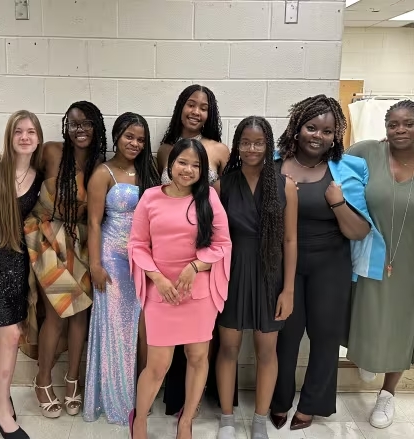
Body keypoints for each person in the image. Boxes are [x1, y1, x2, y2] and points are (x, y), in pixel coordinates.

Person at [270, 95, 384, 431]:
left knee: (324, 336)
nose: (318, 135)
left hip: (330, 265)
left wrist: (337, 203)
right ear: (297, 128)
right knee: (285, 335)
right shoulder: (273, 166)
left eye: (328, 130)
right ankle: (278, 399)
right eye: (311, 127)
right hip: (284, 264)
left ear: (336, 136)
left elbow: (360, 229)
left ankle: (312, 403)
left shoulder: (347, 170)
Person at [344, 100, 414, 429]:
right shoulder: (365, 152)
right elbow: (333, 176)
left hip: (411, 261)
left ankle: (387, 394)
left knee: (400, 327)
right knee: (361, 313)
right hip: (364, 253)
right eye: (393, 124)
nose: (400, 130)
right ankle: (367, 356)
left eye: (408, 124)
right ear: (385, 127)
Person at [128, 139, 232, 439]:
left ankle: (186, 421)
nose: (188, 170)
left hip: (198, 294)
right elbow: (137, 244)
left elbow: (222, 245)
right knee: (157, 365)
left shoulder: (208, 198)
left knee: (198, 357)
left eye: (196, 165)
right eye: (182, 162)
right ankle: (140, 420)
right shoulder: (149, 198)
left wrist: (195, 266)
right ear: (170, 164)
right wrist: (158, 278)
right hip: (161, 293)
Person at [213, 116, 298, 439]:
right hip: (231, 273)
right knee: (228, 348)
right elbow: (211, 237)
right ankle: (226, 419)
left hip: (269, 274)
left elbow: (290, 240)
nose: (251, 148)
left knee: (266, 350)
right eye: (245, 142)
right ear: (237, 145)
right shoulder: (223, 184)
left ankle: (260, 420)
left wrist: (288, 289)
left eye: (258, 142)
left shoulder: (285, 185)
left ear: (268, 145)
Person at [23, 101, 107, 418]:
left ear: (96, 127)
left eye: (86, 124)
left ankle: (73, 380)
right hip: (45, 238)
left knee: (80, 315)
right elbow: (19, 177)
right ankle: (43, 380)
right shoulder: (50, 151)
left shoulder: (101, 164)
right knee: (56, 313)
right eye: (74, 124)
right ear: (66, 127)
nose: (80, 129)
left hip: (82, 242)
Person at [156, 84, 234, 416]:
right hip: (168, 258)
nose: (196, 112)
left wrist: (206, 257)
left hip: (204, 256)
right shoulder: (165, 149)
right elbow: (161, 197)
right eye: (191, 104)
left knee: (201, 336)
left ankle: (198, 398)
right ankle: (174, 398)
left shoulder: (219, 150)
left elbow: (221, 203)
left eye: (204, 107)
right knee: (172, 328)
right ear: (181, 107)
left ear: (210, 113)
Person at [83, 112, 160, 426]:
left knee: (144, 332)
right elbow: (93, 222)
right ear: (116, 136)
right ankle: (118, 400)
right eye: (130, 136)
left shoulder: (147, 171)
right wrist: (95, 264)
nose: (135, 143)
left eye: (141, 139)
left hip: (144, 262)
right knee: (116, 331)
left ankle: (141, 395)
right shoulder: (103, 173)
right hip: (113, 262)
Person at [0, 110, 43, 438]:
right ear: (10, 136)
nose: (25, 137)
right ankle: (2, 411)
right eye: (19, 132)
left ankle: (1, 402)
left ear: (38, 138)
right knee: (10, 337)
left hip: (18, 265)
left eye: (31, 132)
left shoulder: (39, 177)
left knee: (13, 338)